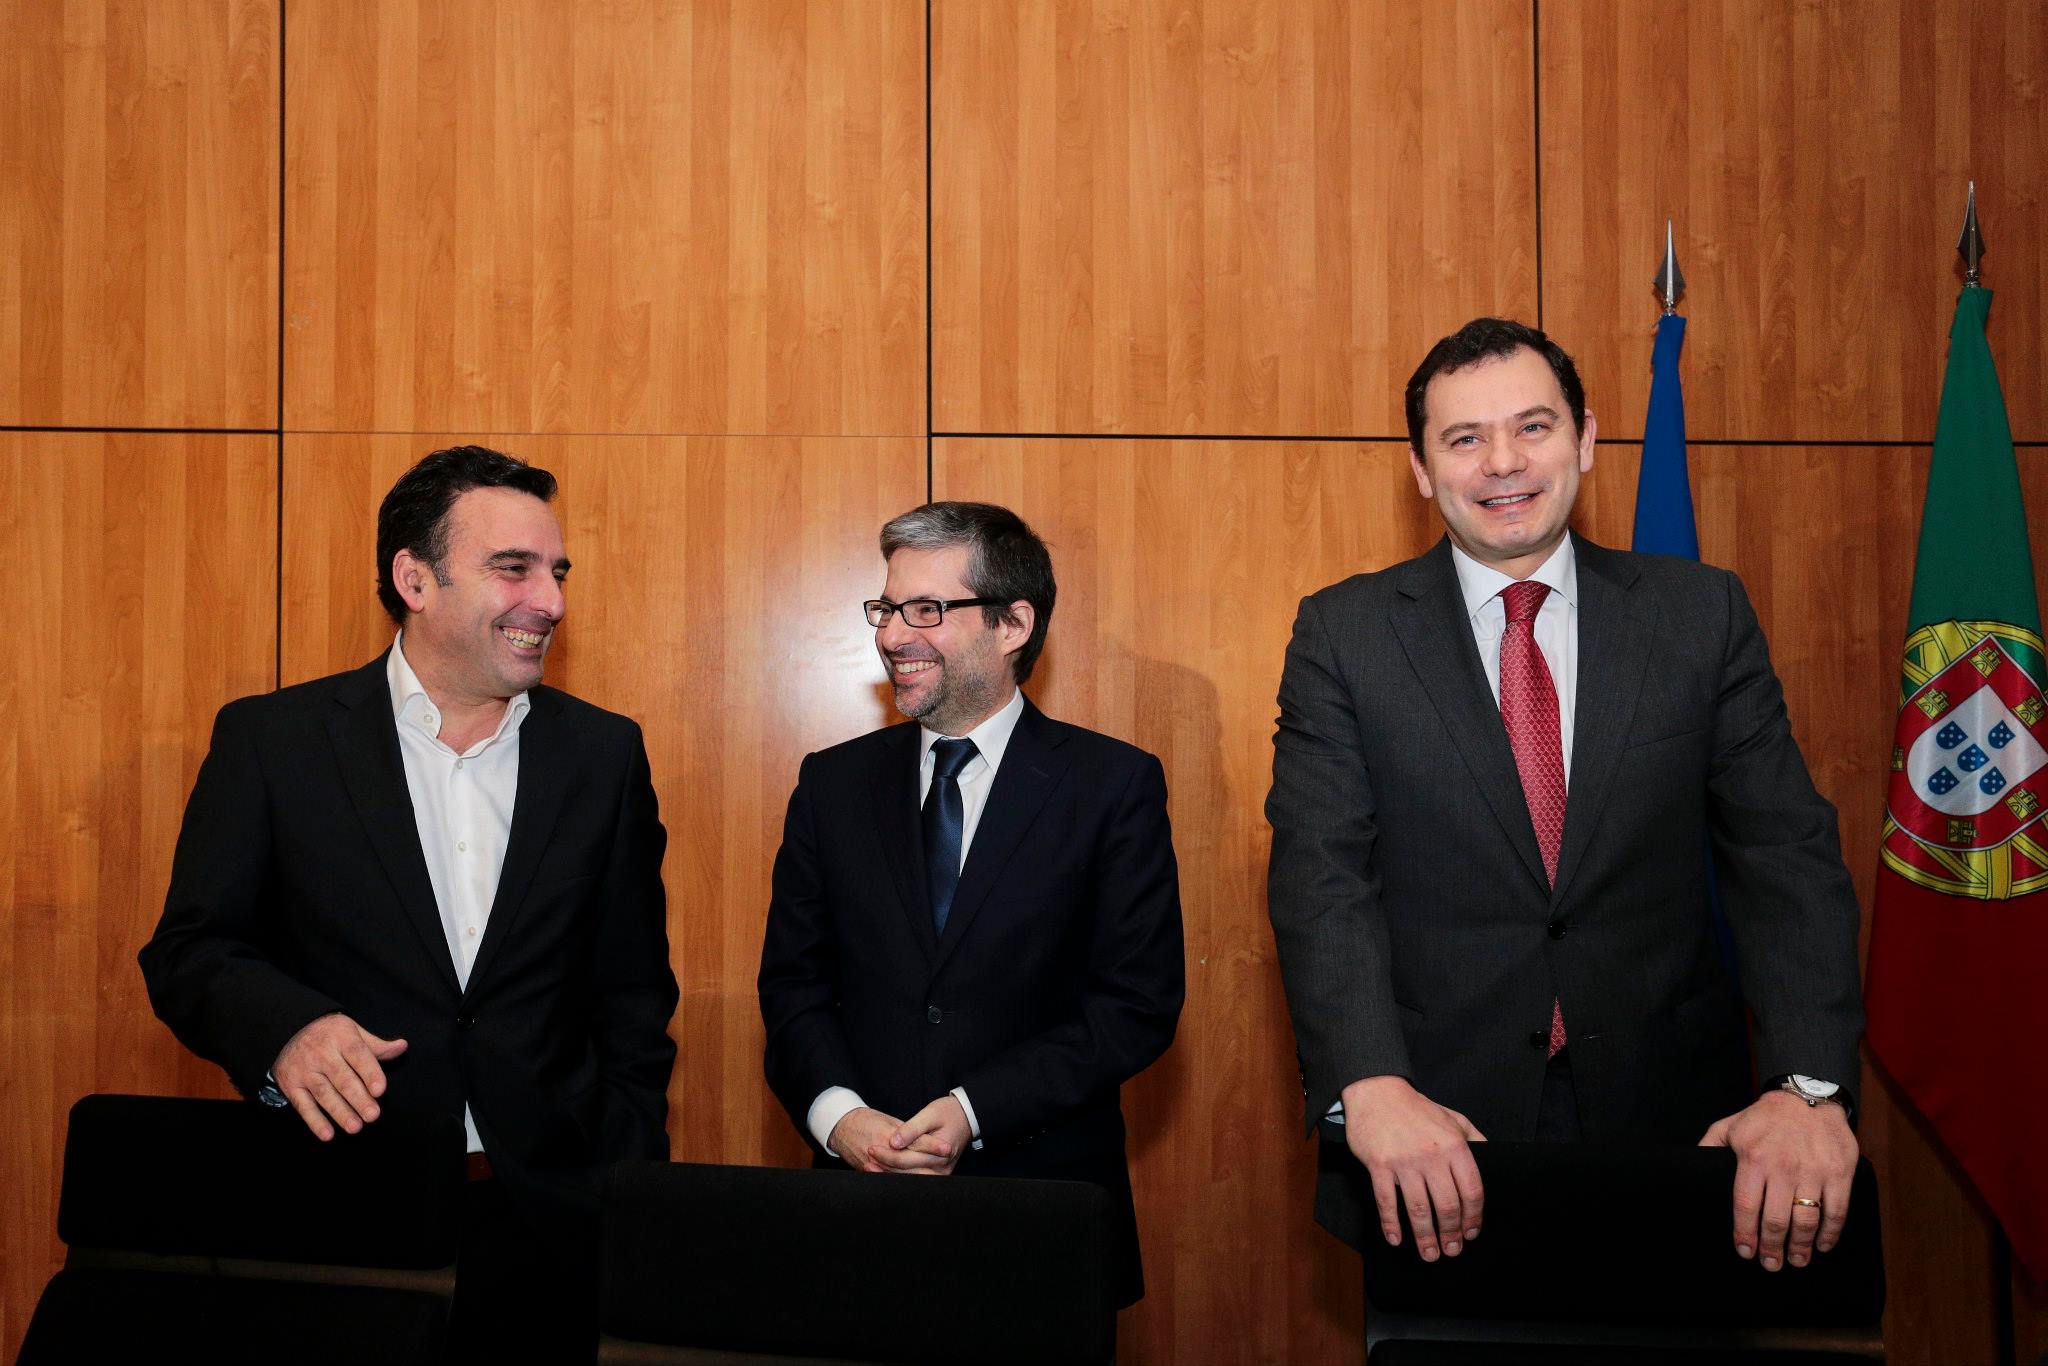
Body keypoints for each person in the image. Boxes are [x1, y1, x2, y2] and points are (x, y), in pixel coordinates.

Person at [1265, 318, 1863, 1279]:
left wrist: (1808, 1086)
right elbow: (1321, 878)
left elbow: (1784, 857)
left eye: (1532, 427)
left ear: (1584, 439)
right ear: (1421, 469)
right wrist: (1368, 1082)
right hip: (1431, 1134)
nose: (1503, 462)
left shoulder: (1699, 614)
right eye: (1465, 438)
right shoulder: (1346, 634)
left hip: (1683, 1134)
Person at [141, 444, 677, 1362]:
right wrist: (286, 1028)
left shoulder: (604, 755)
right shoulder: (274, 742)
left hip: (549, 1229)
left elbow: (631, 991)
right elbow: (191, 950)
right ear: (414, 579)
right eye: (513, 568)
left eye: (556, 572)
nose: (549, 601)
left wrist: (618, 1172)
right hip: (336, 1225)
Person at [757, 500, 1185, 1307]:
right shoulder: (832, 784)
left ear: (1013, 623)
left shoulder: (1111, 786)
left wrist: (972, 1110)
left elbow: (1136, 1005)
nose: (892, 635)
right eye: (887, 609)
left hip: (1041, 1219)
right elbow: (793, 987)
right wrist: (839, 1117)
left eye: (925, 610)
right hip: (855, 1220)